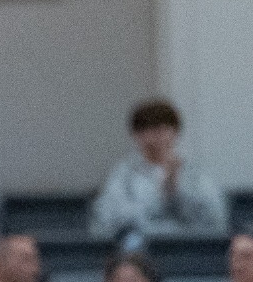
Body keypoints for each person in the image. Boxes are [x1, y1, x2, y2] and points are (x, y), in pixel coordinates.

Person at [87, 98, 227, 240]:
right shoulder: (123, 175)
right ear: (135, 135)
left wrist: (177, 191)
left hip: (186, 248)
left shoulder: (194, 174)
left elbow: (214, 221)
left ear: (175, 132)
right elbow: (108, 221)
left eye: (160, 130)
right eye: (144, 130)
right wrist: (159, 197)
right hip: (139, 250)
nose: (152, 138)